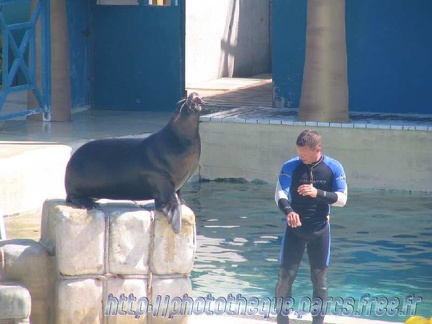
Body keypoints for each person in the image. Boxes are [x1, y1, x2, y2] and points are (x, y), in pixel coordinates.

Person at [274, 129, 348, 324]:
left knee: (319, 281)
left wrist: (318, 193)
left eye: (304, 154)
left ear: (318, 149)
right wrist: (289, 212)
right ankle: (282, 321)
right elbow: (280, 194)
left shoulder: (333, 167)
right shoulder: (291, 166)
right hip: (295, 229)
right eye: (299, 153)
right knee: (286, 277)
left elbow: (342, 199)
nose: (301, 157)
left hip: (320, 229)